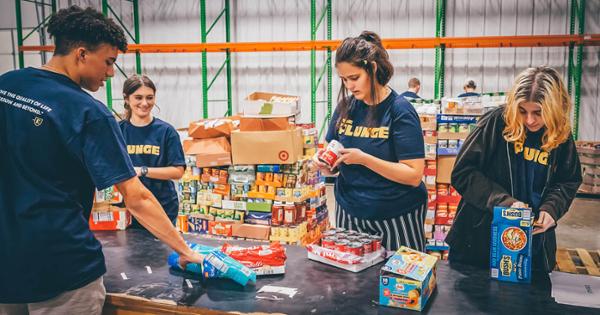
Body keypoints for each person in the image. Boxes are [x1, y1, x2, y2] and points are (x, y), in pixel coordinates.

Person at [0, 6, 201, 314]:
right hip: (60, 266)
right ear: (82, 54)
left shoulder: (8, 85)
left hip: (9, 261)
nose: (110, 73)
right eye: (109, 62)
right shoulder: (88, 112)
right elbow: (136, 197)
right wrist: (185, 250)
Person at [446, 66, 582, 272]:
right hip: (478, 241)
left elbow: (568, 180)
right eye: (522, 111)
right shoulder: (495, 122)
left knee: (527, 303)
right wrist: (505, 203)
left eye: (538, 112)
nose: (529, 120)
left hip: (532, 245)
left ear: (554, 108)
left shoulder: (560, 132)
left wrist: (551, 209)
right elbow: (463, 172)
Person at [313, 31, 427, 252]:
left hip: (395, 215)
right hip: (350, 212)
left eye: (354, 78)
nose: (349, 86)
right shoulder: (346, 107)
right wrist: (324, 164)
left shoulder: (399, 111)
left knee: (398, 281)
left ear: (373, 69)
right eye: (344, 80)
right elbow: (333, 159)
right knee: (354, 284)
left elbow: (413, 175)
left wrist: (364, 160)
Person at [119, 74, 185, 227]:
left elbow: (178, 171)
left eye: (149, 97)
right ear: (127, 99)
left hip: (161, 206)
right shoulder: (118, 131)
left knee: (161, 250)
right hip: (128, 208)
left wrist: (142, 170)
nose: (144, 103)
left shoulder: (166, 131)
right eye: (138, 97)